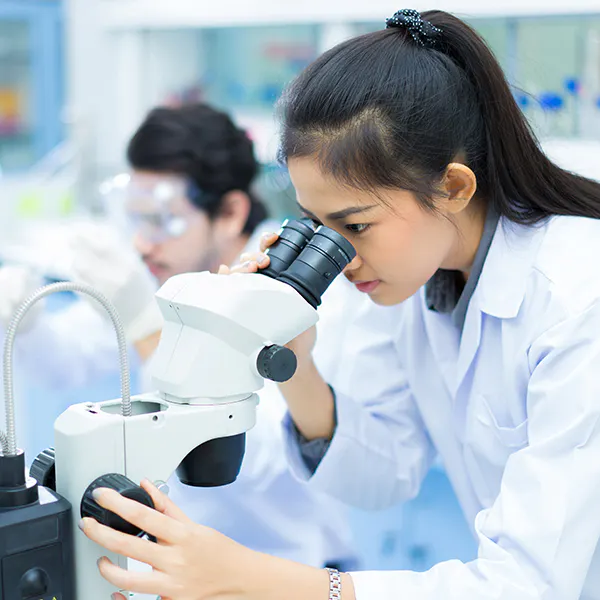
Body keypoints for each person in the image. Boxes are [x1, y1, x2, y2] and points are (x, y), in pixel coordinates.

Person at [81, 7, 600, 600]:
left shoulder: (580, 301)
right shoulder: (418, 272)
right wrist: (292, 358)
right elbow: (387, 472)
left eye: (354, 224)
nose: (340, 256)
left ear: (453, 188)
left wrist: (253, 580)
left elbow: (525, 584)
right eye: (316, 225)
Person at [1, 104, 358, 568]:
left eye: (162, 219)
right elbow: (65, 362)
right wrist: (24, 324)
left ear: (230, 212)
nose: (143, 243)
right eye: (136, 218)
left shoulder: (296, 298)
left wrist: (147, 328)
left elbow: (259, 460)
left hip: (290, 569)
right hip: (185, 574)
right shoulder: (171, 277)